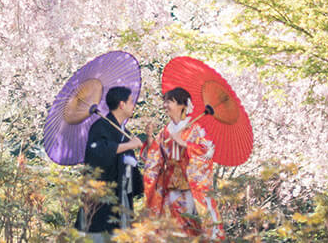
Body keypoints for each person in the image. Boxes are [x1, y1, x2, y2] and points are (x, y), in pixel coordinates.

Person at [142, 86, 226, 240]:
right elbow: (154, 159)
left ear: (183, 105)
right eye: (165, 102)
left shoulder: (195, 129)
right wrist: (150, 142)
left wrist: (185, 144)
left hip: (191, 188)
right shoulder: (165, 132)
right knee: (174, 230)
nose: (165, 105)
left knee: (197, 229)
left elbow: (207, 153)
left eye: (170, 102)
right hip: (171, 188)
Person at [78, 85, 144, 240]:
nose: (133, 105)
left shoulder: (124, 132)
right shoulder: (100, 127)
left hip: (121, 195)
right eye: (130, 102)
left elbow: (129, 164)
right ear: (122, 104)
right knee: (99, 235)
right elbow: (97, 153)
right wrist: (129, 146)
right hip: (102, 196)